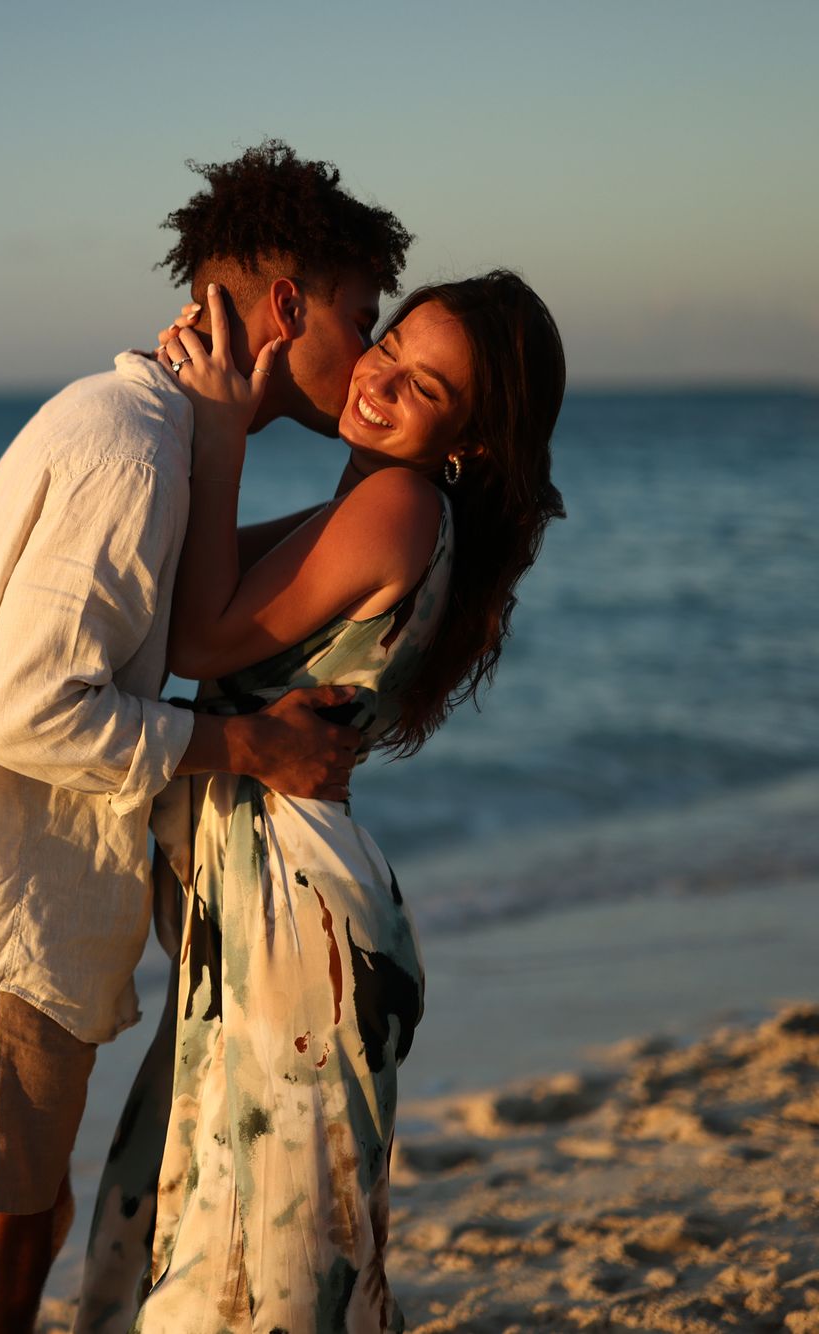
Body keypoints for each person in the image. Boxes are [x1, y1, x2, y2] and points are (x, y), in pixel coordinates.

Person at [0, 141, 414, 1333]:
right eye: (359, 313)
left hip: (24, 905)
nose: (370, 349)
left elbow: (221, 603)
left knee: (24, 1226)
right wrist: (247, 749)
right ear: (285, 305)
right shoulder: (128, 444)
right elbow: (30, 708)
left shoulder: (166, 437)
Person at [76, 269, 566, 1333]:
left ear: (467, 443)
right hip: (272, 909)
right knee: (230, 1241)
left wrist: (223, 433)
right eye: (388, 345)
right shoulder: (366, 504)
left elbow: (199, 641)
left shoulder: (394, 504)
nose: (380, 379)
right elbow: (167, 596)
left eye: (425, 388)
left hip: (294, 929)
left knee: (262, 1269)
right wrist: (202, 397)